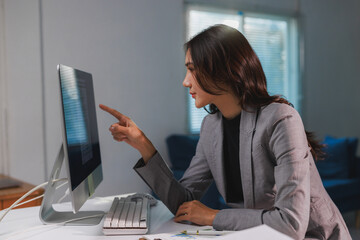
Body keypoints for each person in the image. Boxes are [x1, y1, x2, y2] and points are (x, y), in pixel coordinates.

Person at [99, 24, 351, 240]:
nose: (185, 81)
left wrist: (213, 216)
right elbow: (184, 203)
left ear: (222, 70)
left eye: (192, 69)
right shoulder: (211, 127)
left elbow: (291, 225)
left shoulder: (280, 120)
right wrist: (143, 145)